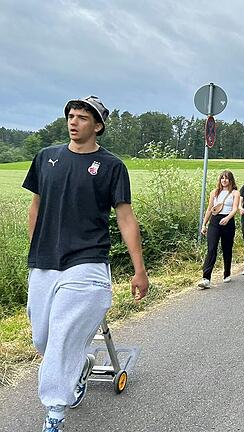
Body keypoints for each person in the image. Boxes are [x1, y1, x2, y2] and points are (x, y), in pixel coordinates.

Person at [23, 96, 149, 432]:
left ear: (98, 125)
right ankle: (78, 367)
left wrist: (139, 269)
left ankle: (54, 412)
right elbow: (36, 207)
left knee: (63, 335)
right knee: (43, 339)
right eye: (71, 116)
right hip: (45, 261)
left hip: (87, 260)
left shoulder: (111, 167)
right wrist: (36, 248)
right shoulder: (46, 157)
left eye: (82, 117)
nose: (73, 121)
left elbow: (125, 218)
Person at [198, 170, 240, 289]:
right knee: (211, 249)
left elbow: (235, 208)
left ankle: (227, 272)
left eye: (226, 178)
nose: (224, 180)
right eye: (222, 178)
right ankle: (206, 278)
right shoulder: (214, 192)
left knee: (227, 249)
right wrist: (204, 224)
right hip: (215, 222)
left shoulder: (235, 193)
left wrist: (227, 218)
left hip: (228, 222)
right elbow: (209, 209)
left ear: (231, 180)